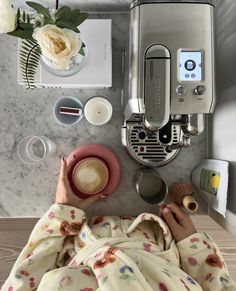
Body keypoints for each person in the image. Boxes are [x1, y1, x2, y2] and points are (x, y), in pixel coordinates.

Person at [2, 158, 236, 291]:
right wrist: (192, 245)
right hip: (160, 235)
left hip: (80, 234)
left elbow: (22, 280)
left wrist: (61, 217)